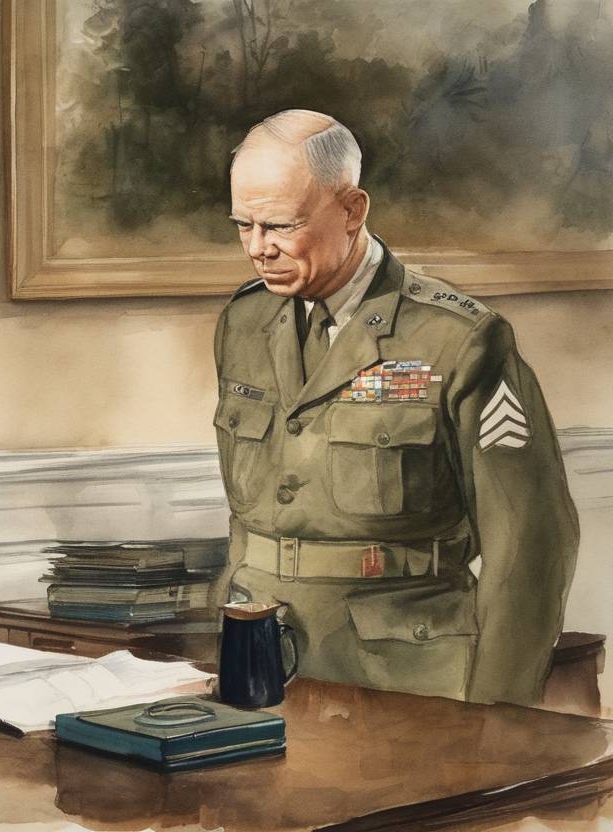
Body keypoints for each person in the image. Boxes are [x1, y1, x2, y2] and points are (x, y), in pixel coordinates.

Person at [213, 110, 578, 705]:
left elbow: (531, 541)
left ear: (352, 210)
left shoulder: (458, 338)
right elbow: (247, 520)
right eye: (243, 226)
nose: (258, 248)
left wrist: (500, 716)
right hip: (258, 668)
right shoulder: (243, 321)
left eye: (279, 225)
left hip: (405, 676)